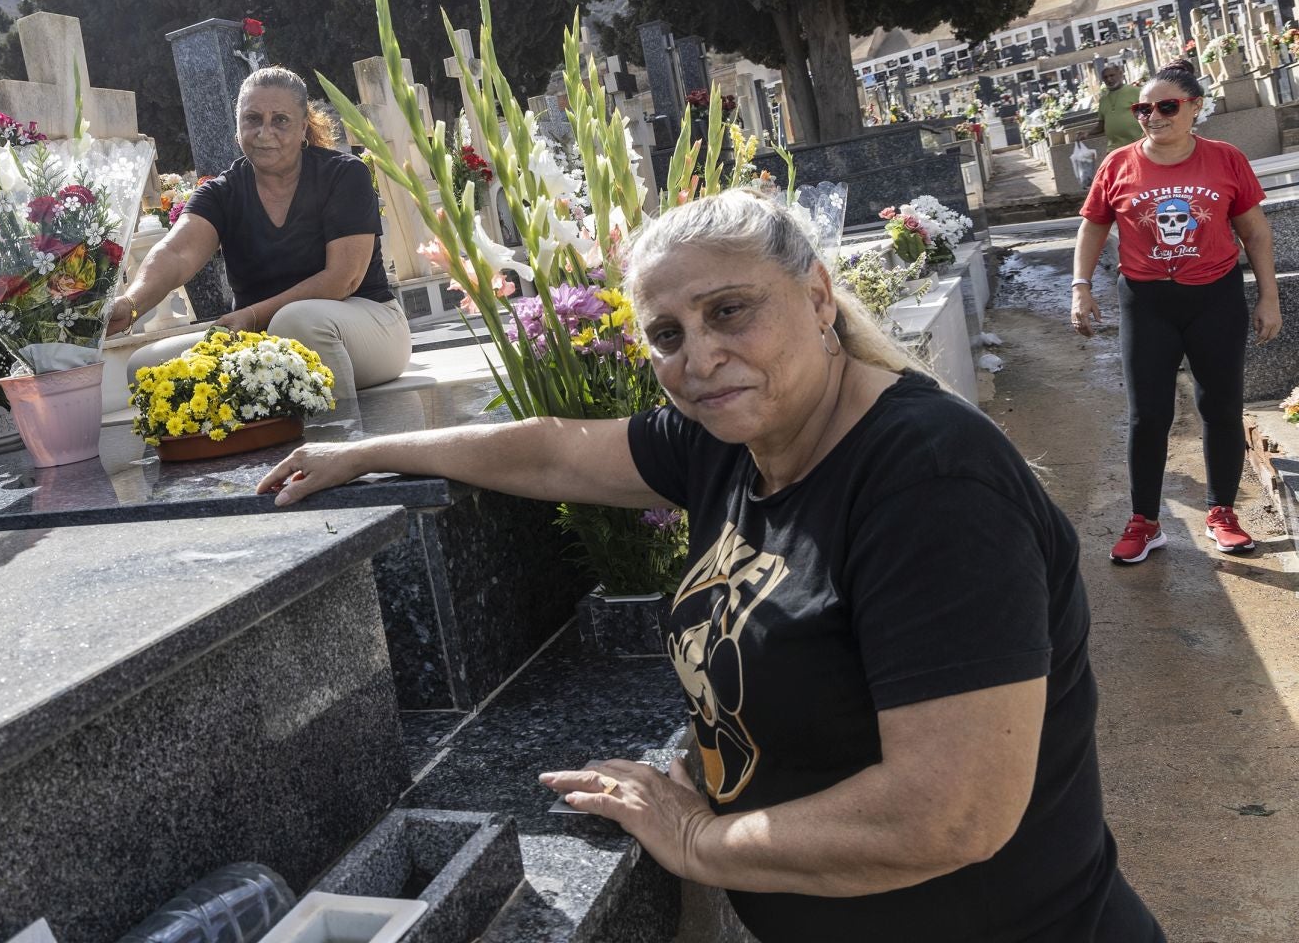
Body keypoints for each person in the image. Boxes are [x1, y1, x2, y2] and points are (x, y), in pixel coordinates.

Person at [260, 189, 1161, 943]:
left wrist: (700, 844)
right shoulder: (732, 438)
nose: (699, 356)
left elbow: (949, 813)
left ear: (816, 297)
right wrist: (371, 453)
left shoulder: (929, 483)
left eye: (729, 310)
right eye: (666, 334)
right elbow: (553, 453)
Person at [1071, 59, 1279, 563]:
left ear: (1194, 107)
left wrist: (1268, 296)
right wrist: (1081, 286)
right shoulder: (1118, 164)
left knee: (1222, 408)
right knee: (1148, 415)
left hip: (1215, 298)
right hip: (1147, 302)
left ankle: (1222, 513)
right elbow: (1094, 226)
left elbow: (1254, 232)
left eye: (1167, 106)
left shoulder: (1225, 158)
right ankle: (1145, 521)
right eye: (1145, 108)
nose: (1153, 116)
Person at [108, 67, 411, 401]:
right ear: (238, 129)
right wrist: (131, 303)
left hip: (365, 324)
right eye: (253, 119)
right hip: (263, 340)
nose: (265, 132)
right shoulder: (221, 193)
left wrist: (253, 315)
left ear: (303, 129)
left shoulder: (342, 175)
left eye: (280, 120)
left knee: (297, 322)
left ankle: (338, 444)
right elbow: (176, 253)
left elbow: (344, 279)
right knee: (147, 366)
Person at [1095, 62, 1142, 149]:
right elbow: (1101, 126)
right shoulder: (1103, 100)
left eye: (1112, 75)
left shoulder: (1136, 92)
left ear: (1120, 74)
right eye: (1105, 77)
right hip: (1114, 148)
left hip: (1138, 144)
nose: (1109, 79)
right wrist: (1087, 133)